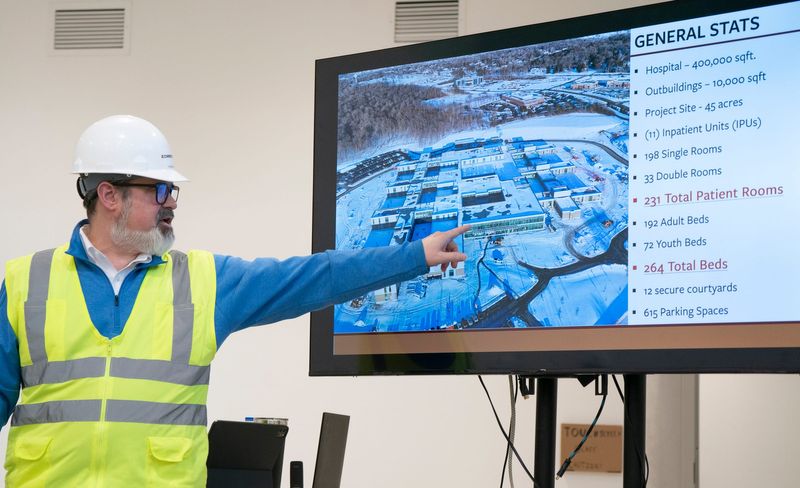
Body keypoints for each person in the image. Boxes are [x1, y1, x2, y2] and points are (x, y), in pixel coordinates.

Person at [0, 115, 469, 487]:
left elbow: (313, 277)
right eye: (159, 190)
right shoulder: (26, 281)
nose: (172, 203)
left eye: (172, 191)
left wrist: (413, 256)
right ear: (109, 196)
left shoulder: (204, 280)